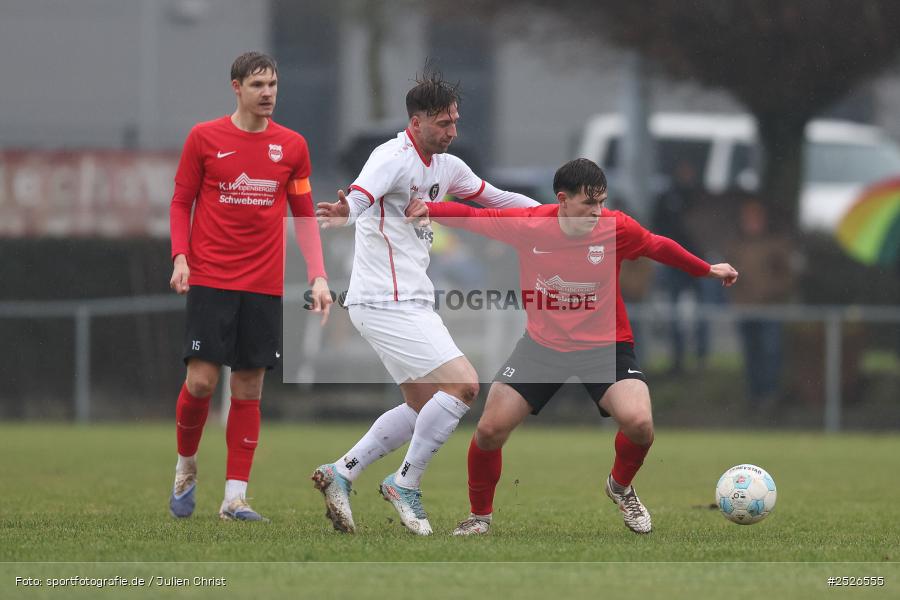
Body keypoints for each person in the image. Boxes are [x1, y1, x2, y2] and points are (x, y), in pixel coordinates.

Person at [411, 158, 738, 535]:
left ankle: (620, 486)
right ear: (563, 200)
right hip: (543, 347)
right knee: (489, 430)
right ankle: (479, 518)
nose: (597, 212)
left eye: (602, 202)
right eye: (589, 203)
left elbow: (656, 245)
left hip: (606, 347)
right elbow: (474, 217)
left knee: (640, 424)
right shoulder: (531, 225)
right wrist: (430, 208)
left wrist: (706, 269)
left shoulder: (615, 227)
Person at [311, 70, 539, 535]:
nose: (452, 130)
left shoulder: (448, 167)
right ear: (416, 122)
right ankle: (405, 483)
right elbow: (359, 196)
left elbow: (496, 199)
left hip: (410, 300)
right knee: (465, 385)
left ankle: (342, 472)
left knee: (423, 406)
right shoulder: (390, 158)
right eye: (443, 122)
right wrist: (344, 211)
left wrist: (551, 215)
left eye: (455, 120)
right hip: (384, 300)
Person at [167, 52, 332, 521]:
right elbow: (181, 202)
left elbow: (304, 216)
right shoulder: (204, 138)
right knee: (201, 382)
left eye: (273, 84)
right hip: (211, 277)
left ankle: (234, 498)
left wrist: (319, 274)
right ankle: (185, 466)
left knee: (248, 387)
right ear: (236, 87)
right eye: (258, 84)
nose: (268, 93)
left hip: (262, 285)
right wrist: (180, 256)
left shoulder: (292, 147)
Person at [727, 198, 796, 413]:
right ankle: (754, 397)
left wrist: (771, 290)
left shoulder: (775, 244)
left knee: (771, 353)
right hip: (745, 308)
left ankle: (770, 396)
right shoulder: (736, 245)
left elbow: (787, 275)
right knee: (751, 354)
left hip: (769, 308)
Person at [652, 159, 713, 374]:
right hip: (674, 262)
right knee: (674, 312)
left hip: (699, 260)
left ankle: (702, 357)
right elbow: (658, 226)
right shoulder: (667, 198)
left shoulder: (700, 197)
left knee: (702, 311)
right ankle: (678, 358)